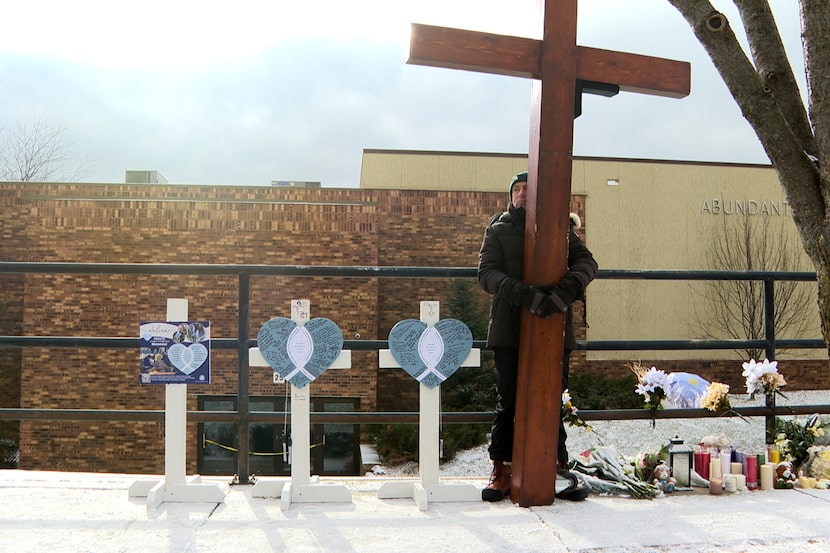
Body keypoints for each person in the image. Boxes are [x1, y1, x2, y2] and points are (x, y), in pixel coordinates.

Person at [477, 171, 598, 502]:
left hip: (553, 328)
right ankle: (502, 469)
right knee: (509, 400)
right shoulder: (498, 227)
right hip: (508, 328)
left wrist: (561, 296)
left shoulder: (561, 228)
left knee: (552, 398)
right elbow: (486, 274)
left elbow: (587, 264)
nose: (521, 194)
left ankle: (556, 467)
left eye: (529, 189)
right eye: (516, 189)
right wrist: (526, 295)